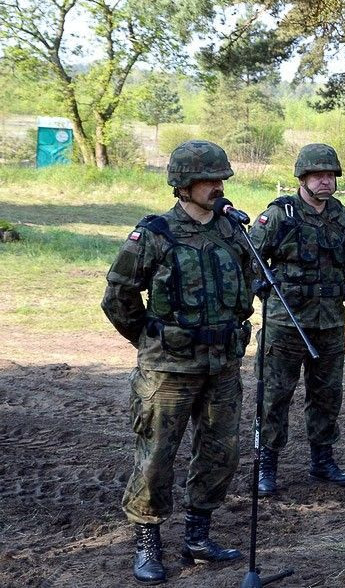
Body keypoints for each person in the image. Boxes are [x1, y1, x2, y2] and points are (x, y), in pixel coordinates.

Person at [101, 140, 255, 584]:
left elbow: (248, 286)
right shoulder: (154, 235)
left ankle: (198, 536)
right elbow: (118, 297)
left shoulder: (232, 231)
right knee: (156, 457)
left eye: (221, 178)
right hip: (168, 370)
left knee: (220, 452)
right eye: (209, 179)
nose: (218, 186)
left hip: (222, 365)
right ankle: (148, 541)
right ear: (183, 185)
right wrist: (152, 340)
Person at [248, 143, 345, 496]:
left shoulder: (341, 215)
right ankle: (267, 464)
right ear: (302, 177)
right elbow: (249, 255)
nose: (326, 181)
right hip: (285, 322)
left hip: (329, 321)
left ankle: (322, 459)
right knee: (275, 394)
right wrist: (263, 285)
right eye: (318, 175)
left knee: (327, 394)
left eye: (330, 175)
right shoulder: (279, 215)